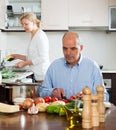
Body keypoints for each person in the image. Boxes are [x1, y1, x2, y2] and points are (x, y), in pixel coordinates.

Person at [39, 31, 109, 101]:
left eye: (73, 49)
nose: (68, 53)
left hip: (85, 111)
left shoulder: (93, 67)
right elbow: (42, 92)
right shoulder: (54, 67)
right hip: (60, 111)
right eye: (65, 48)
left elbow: (105, 97)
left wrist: (89, 97)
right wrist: (52, 92)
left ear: (81, 48)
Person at [10, 13, 50, 82]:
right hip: (37, 74)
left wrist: (24, 63)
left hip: (42, 75)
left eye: (26, 24)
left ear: (34, 22)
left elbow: (43, 58)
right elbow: (33, 57)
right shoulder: (34, 35)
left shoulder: (40, 36)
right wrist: (18, 56)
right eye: (23, 24)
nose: (24, 27)